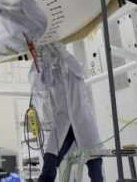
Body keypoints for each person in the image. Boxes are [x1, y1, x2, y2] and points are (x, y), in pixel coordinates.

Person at [29, 43, 102, 181]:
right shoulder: (52, 75)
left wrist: (64, 53)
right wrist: (39, 61)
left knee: (95, 165)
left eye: (53, 53)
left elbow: (80, 70)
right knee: (50, 158)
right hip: (63, 124)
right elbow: (40, 83)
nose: (52, 57)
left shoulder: (74, 69)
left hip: (82, 122)